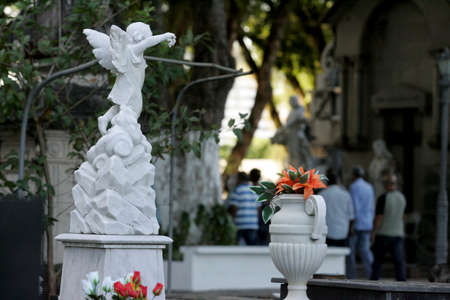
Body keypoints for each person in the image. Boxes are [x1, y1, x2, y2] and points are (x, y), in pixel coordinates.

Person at [370, 173, 407, 281]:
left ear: (386, 184)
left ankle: (374, 284)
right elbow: (403, 216)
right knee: (399, 262)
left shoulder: (383, 198)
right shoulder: (402, 197)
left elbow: (379, 217)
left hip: (383, 234)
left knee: (377, 262)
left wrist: (373, 232)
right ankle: (402, 284)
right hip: (398, 234)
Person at [348, 166, 375, 279]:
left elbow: (355, 206)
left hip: (357, 224)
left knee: (351, 251)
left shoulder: (354, 187)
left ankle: (351, 276)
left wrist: (352, 224)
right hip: (367, 223)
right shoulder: (369, 187)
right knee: (365, 250)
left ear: (354, 175)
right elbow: (372, 206)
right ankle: (372, 273)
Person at [319, 169, 354, 247]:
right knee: (341, 257)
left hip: (327, 232)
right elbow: (351, 216)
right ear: (338, 182)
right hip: (343, 232)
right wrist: (350, 230)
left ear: (327, 182)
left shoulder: (322, 195)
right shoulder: (346, 194)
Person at [228, 172, 260, 245]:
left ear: (239, 179)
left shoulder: (237, 190)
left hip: (240, 225)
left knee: (238, 248)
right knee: (252, 248)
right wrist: (255, 220)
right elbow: (259, 208)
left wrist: (232, 220)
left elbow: (234, 208)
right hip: (253, 224)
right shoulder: (254, 190)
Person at [249, 168, 269, 245]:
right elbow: (268, 202)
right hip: (262, 219)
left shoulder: (249, 188)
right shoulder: (263, 189)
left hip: (253, 218)